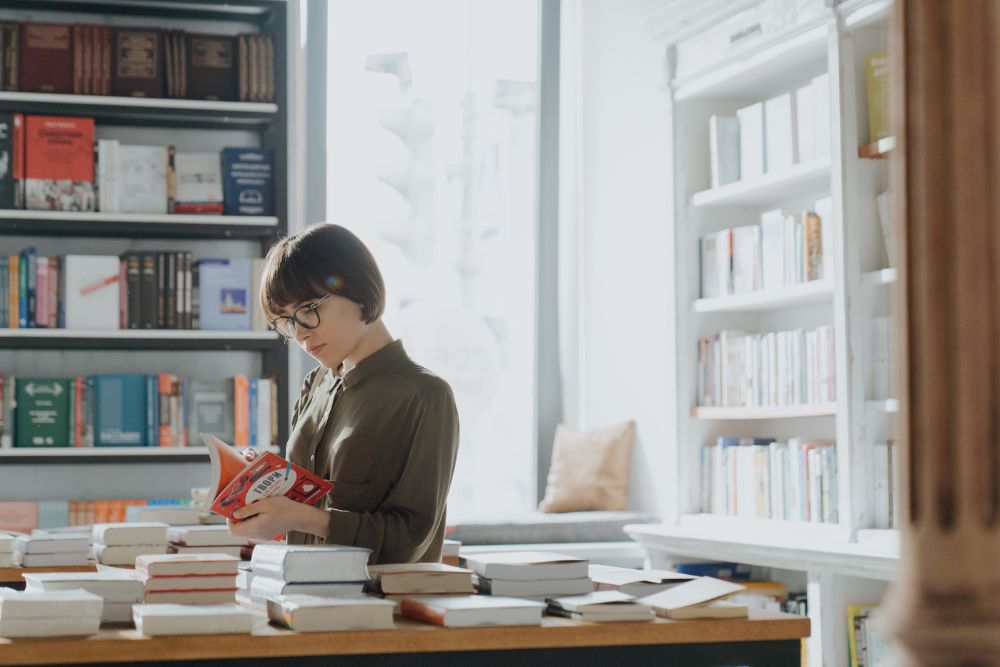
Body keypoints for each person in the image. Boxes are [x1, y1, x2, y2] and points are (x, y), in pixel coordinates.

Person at [227, 224, 460, 564]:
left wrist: (297, 517)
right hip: (300, 595)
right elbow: (299, 505)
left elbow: (410, 540)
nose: (301, 335)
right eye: (286, 323)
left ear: (358, 288)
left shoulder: (425, 396)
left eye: (309, 309)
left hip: (377, 608)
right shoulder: (315, 385)